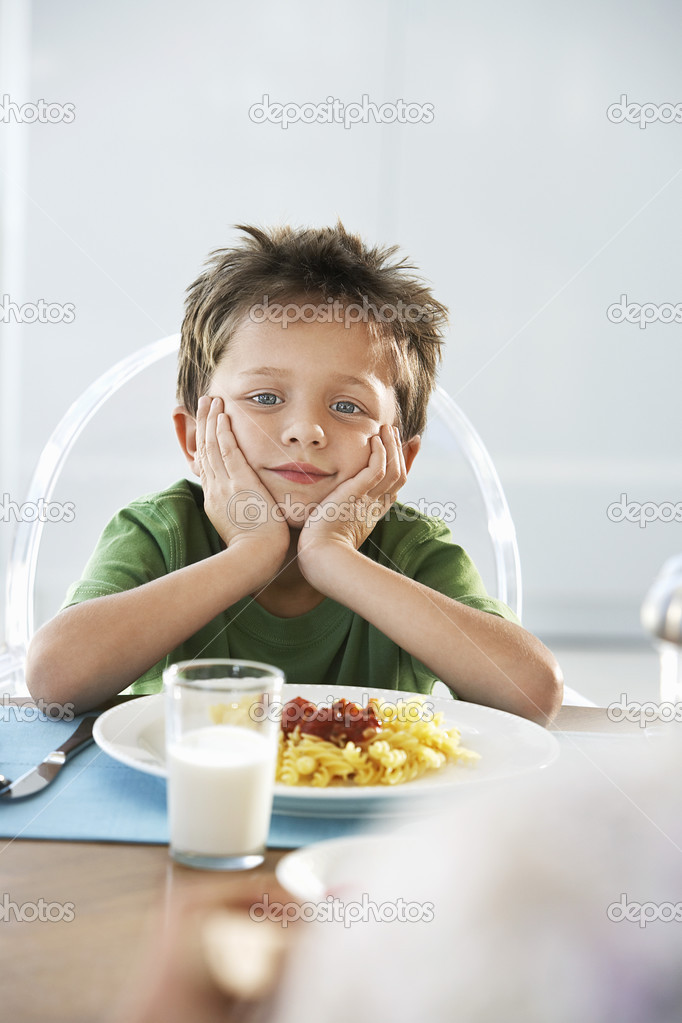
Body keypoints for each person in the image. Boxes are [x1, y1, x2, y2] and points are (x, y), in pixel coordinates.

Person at [25, 222, 562, 721]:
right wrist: (250, 553)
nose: (305, 431)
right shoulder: (159, 532)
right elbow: (54, 682)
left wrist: (333, 557)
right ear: (194, 437)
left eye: (348, 406)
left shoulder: (410, 550)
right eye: (265, 397)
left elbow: (532, 695)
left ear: (401, 458)